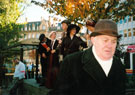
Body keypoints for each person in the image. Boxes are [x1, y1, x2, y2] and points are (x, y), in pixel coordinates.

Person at [48, 19, 126, 95]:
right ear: (94, 40)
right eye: (105, 40)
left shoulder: (119, 66)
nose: (109, 46)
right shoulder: (71, 62)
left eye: (113, 41)